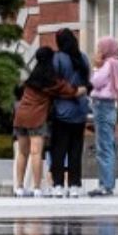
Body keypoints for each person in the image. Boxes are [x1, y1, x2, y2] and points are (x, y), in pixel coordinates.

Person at [11, 47, 71, 197]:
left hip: (20, 116)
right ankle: (37, 188)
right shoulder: (51, 80)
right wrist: (83, 89)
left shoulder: (31, 78)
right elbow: (68, 91)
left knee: (22, 153)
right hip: (36, 118)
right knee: (36, 153)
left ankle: (19, 187)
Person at [47, 29, 92, 198]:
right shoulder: (83, 58)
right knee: (75, 150)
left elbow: (53, 84)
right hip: (80, 111)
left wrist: (69, 93)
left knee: (59, 150)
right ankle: (75, 184)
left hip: (62, 110)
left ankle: (58, 184)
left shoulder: (57, 58)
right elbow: (88, 81)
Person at [88, 37, 118, 196]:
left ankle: (106, 185)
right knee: (107, 146)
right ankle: (105, 184)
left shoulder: (109, 64)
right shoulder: (117, 64)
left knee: (104, 147)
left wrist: (96, 67)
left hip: (103, 106)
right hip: (109, 106)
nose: (98, 51)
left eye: (100, 48)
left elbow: (95, 82)